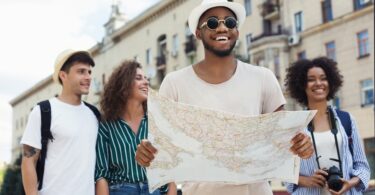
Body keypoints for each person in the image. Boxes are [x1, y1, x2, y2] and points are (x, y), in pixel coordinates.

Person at [135, 0, 314, 194]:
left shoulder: (263, 77)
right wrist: (146, 153)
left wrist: (301, 144)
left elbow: (282, 137)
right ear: (197, 33)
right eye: (212, 23)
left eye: (229, 22)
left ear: (236, 31)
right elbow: (160, 146)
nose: (222, 27)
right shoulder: (174, 83)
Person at [284, 57, 370, 195]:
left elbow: (362, 167)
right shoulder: (294, 126)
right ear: (302, 85)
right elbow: (285, 173)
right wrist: (307, 181)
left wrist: (349, 183)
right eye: (311, 79)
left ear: (330, 82)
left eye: (323, 78)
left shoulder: (346, 120)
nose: (318, 83)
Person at [21, 49, 99, 195]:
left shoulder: (94, 114)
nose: (88, 77)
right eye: (81, 71)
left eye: (89, 72)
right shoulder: (43, 111)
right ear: (63, 75)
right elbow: (28, 161)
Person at [95, 61, 177, 195]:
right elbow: (101, 174)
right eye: (138, 78)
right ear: (124, 85)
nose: (145, 82)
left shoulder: (157, 120)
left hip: (154, 189)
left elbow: (171, 170)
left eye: (146, 78)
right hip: (121, 190)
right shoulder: (107, 124)